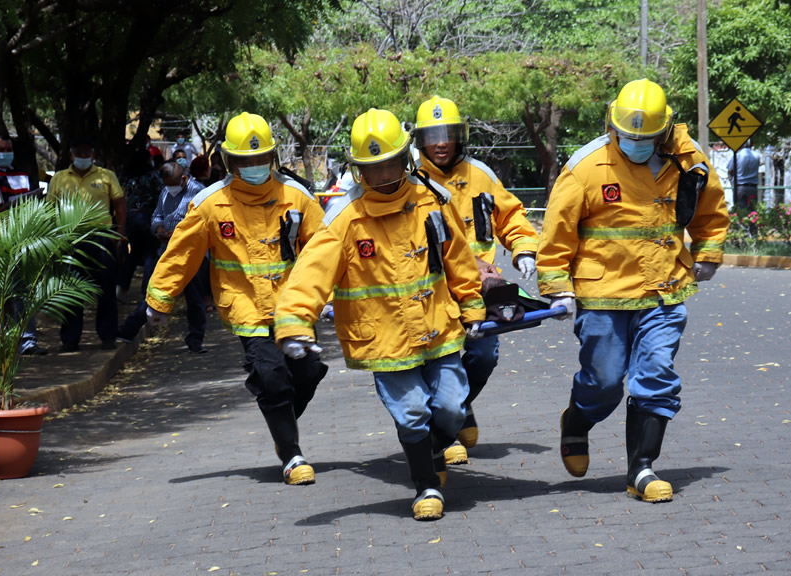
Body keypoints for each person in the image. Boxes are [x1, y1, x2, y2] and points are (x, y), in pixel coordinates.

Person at [273, 108, 486, 521]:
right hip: (385, 339)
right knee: (411, 412)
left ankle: (431, 450)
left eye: (390, 164)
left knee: (453, 408)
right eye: (373, 168)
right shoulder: (345, 218)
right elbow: (310, 273)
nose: (384, 175)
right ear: (358, 172)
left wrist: (473, 305)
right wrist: (295, 323)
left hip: (438, 327)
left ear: (406, 160)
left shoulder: (432, 200)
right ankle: (426, 486)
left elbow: (457, 256)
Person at [536, 78, 728, 503]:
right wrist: (556, 286)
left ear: (664, 129)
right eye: (627, 135)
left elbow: (710, 208)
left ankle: (641, 468)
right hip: (603, 293)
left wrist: (709, 249)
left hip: (664, 288)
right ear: (613, 124)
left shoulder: (689, 159)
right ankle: (578, 420)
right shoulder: (587, 164)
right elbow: (557, 231)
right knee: (604, 382)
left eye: (644, 137)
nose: (634, 144)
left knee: (655, 375)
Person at [144, 112, 327, 485]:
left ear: (273, 157)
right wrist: (158, 301)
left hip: (294, 305)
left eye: (261, 159)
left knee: (306, 374)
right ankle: (291, 453)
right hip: (245, 304)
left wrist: (335, 298)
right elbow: (183, 253)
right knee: (272, 376)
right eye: (246, 160)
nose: (255, 166)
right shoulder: (212, 203)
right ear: (229, 161)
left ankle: (282, 424)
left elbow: (324, 249)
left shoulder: (296, 196)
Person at [411, 95, 540, 465]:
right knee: (434, 360)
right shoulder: (409, 182)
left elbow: (511, 215)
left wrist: (523, 248)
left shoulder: (481, 175)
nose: (440, 143)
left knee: (484, 354)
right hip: (431, 292)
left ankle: (458, 406)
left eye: (447, 134)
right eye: (432, 135)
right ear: (420, 139)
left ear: (458, 136)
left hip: (480, 292)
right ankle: (445, 430)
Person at [117, 161, 207, 352]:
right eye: (167, 184)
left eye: (173, 184)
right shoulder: (166, 191)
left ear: (183, 178)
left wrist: (175, 232)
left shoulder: (200, 193)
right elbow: (157, 215)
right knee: (154, 293)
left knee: (195, 299)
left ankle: (195, 341)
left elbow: (201, 223)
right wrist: (158, 228)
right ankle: (127, 332)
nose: (170, 188)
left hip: (191, 254)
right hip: (166, 251)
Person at [47, 135, 126, 351]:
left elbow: (119, 203)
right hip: (71, 240)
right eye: (78, 153)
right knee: (72, 290)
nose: (83, 156)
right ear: (71, 155)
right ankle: (70, 340)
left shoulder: (106, 176)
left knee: (106, 290)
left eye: (86, 153)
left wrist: (120, 232)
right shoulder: (59, 178)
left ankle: (108, 336)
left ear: (93, 155)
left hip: (101, 239)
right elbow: (50, 209)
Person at [0, 133, 48, 356]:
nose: (5, 154)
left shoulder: (21, 173)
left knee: (23, 293)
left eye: (8, 150)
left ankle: (27, 340)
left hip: (23, 240)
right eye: (0, 150)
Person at [117, 149, 163, 301]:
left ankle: (122, 288)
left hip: (130, 216)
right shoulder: (152, 176)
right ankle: (146, 291)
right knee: (151, 252)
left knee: (134, 252)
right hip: (147, 216)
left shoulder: (126, 176)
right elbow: (161, 194)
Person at [726, 143, 761, 209]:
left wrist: (732, 181)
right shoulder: (757, 156)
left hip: (740, 187)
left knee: (740, 211)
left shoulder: (737, 155)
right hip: (753, 187)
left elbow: (730, 170)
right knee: (752, 212)